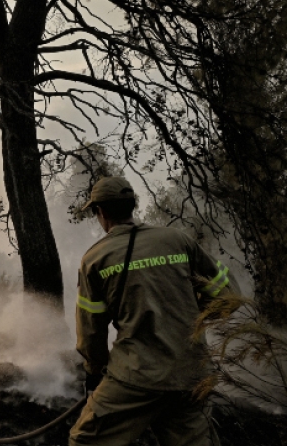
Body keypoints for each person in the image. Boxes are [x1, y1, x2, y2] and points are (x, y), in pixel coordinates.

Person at [69, 177, 238, 446]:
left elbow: (91, 332)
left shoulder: (96, 258)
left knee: (85, 440)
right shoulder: (177, 240)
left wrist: (95, 370)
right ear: (132, 205)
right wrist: (196, 321)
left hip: (137, 377)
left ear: (100, 211)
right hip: (191, 373)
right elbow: (228, 296)